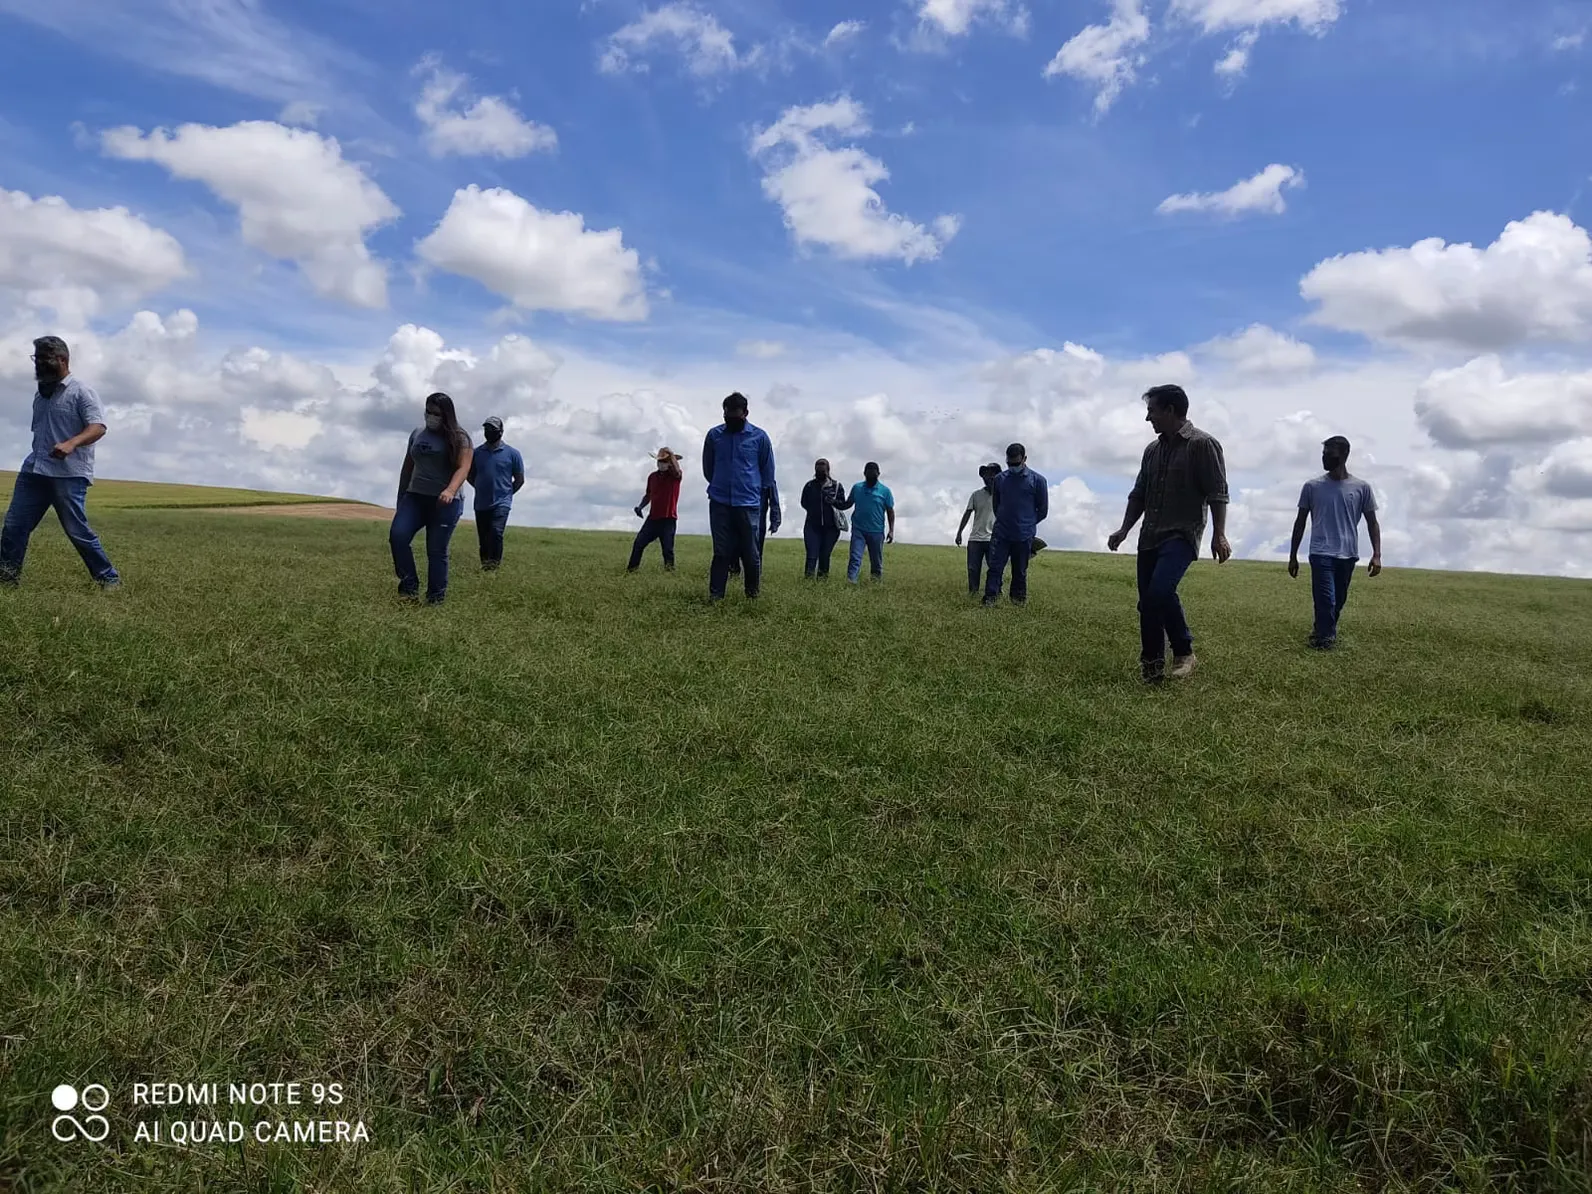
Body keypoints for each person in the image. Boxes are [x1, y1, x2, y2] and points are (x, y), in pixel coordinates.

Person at [1107, 384, 1230, 683]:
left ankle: (1184, 651)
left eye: (1152, 411)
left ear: (1171, 411)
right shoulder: (1152, 450)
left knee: (1156, 596)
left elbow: (1218, 493)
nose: (1148, 419)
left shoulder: (1203, 444)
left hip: (1182, 534)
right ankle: (1152, 671)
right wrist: (1124, 529)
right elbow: (1139, 494)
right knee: (1151, 598)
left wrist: (1219, 534)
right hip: (1149, 536)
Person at [0, 335, 120, 590]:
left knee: (76, 530)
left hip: (68, 474)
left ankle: (108, 578)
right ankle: (6, 580)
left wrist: (71, 443)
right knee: (14, 526)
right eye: (36, 358)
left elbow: (98, 427)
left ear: (62, 360)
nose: (39, 364)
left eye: (44, 358)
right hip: (34, 470)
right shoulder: (41, 395)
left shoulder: (81, 392)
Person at [1289, 435, 1382, 649]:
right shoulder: (1312, 486)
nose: (1325, 458)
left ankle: (1321, 630)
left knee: (1338, 601)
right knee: (1326, 599)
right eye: (1323, 454)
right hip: (1321, 552)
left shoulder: (1362, 488)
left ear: (1344, 455)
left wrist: (1376, 554)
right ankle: (1325, 639)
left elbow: (1372, 523)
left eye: (1329, 454)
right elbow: (1300, 521)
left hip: (1348, 554)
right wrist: (1293, 555)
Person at [390, 392, 472, 604]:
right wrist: (401, 496)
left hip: (445, 502)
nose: (431, 416)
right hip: (415, 497)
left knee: (436, 551)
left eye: (436, 413)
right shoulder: (417, 434)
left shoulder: (460, 437)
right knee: (398, 537)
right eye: (428, 411)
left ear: (446, 415)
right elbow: (407, 467)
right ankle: (409, 589)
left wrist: (450, 490)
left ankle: (435, 599)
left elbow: (464, 468)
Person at [703, 392, 777, 600]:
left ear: (745, 413)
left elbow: (768, 474)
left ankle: (752, 596)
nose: (731, 419)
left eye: (736, 415)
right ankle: (715, 596)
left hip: (749, 504)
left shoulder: (760, 437)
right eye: (727, 415)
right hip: (720, 502)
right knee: (721, 552)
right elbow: (708, 469)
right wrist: (721, 484)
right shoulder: (714, 436)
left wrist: (751, 491)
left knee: (751, 553)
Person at [983, 444, 1049, 607]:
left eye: (1016, 463)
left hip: (1024, 535)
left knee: (1019, 571)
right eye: (1010, 464)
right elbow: (996, 505)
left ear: (1024, 459)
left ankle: (1018, 601)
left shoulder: (1038, 481)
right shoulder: (999, 480)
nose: (1013, 467)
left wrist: (1026, 524)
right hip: (1002, 533)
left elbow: (1043, 510)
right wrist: (1006, 521)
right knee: (995, 568)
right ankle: (990, 598)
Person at [467, 415, 524, 571]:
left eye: (492, 429)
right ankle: (485, 566)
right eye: (486, 429)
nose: (489, 432)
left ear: (501, 431)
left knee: (496, 532)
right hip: (481, 502)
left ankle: (494, 566)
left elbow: (519, 479)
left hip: (502, 502)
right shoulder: (477, 453)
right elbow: (469, 474)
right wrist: (478, 486)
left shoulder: (513, 454)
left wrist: (508, 493)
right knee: (484, 538)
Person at [628, 448, 683, 571]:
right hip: (653, 519)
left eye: (664, 461)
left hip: (668, 519)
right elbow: (648, 495)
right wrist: (640, 507)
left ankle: (669, 574)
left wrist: (671, 454)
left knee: (667, 549)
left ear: (670, 463)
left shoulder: (675, 477)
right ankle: (631, 571)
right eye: (659, 461)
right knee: (638, 544)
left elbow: (677, 471)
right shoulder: (652, 477)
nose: (660, 464)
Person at [844, 462, 894, 584]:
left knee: (876, 561)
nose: (871, 474)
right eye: (869, 472)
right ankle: (851, 581)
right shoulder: (857, 488)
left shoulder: (885, 491)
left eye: (874, 472)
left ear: (878, 474)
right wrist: (834, 502)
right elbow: (848, 503)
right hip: (858, 529)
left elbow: (890, 511)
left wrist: (891, 530)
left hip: (876, 531)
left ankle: (875, 584)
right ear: (864, 473)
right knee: (855, 557)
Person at [956, 463, 1000, 596]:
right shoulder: (976, 495)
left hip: (994, 538)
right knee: (973, 568)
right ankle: (973, 592)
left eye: (992, 474)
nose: (989, 477)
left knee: (995, 568)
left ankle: (995, 592)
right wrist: (959, 532)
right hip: (975, 538)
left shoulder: (1003, 495)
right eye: (986, 474)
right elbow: (967, 513)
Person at [800, 458, 847, 578]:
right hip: (812, 526)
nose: (820, 470)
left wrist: (834, 501)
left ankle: (822, 582)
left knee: (825, 555)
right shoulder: (809, 486)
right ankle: (808, 582)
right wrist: (813, 511)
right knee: (811, 554)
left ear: (828, 470)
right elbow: (803, 503)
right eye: (818, 467)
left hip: (831, 528)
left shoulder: (836, 486)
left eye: (823, 467)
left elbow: (843, 504)